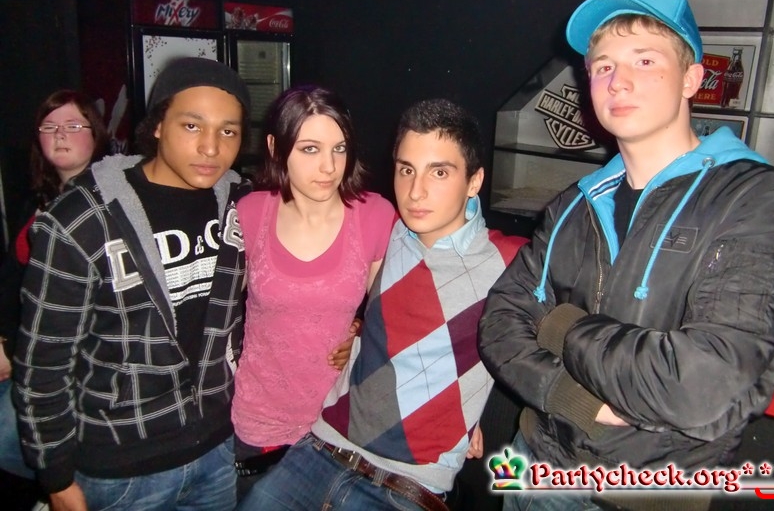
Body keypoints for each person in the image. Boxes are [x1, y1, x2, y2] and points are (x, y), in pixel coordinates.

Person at [479, 0, 774, 511]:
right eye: (603, 66)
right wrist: (575, 399)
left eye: (645, 60)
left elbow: (697, 387)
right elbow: (499, 323)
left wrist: (559, 326)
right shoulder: (575, 204)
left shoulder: (759, 200)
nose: (618, 80)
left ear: (692, 78)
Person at [237, 98, 527, 511]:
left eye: (439, 172)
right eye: (406, 170)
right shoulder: (388, 230)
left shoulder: (512, 262)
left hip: (407, 482)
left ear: (474, 180)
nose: (416, 191)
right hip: (321, 447)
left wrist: (476, 405)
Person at [13, 57, 252, 511]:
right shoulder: (82, 220)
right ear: (158, 125)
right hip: (121, 466)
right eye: (191, 125)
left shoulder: (243, 206)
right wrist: (55, 475)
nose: (210, 147)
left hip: (218, 449)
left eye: (228, 131)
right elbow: (44, 359)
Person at [231, 85, 395, 495]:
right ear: (275, 147)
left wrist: (362, 331)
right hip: (258, 421)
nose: (329, 166)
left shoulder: (375, 215)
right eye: (310, 149)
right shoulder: (250, 213)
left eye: (339, 149)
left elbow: (392, 317)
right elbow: (214, 312)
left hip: (337, 426)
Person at [0, 90, 109, 509]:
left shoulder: (110, 202)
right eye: (49, 127)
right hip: (25, 349)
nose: (59, 135)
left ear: (96, 135)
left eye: (72, 125)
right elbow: (12, 282)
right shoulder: (38, 200)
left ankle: (68, 486)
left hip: (73, 361)